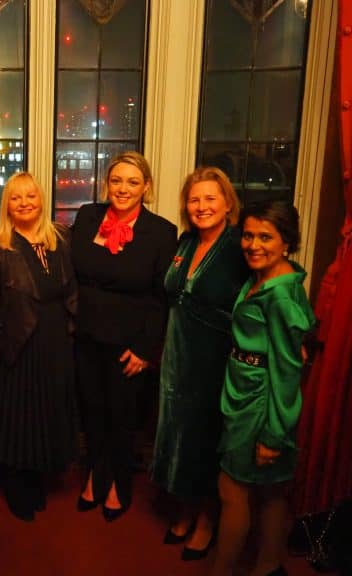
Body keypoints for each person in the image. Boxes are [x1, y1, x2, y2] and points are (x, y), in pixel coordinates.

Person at [71, 151, 177, 521]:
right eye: (116, 180)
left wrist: (146, 349)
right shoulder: (87, 217)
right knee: (92, 412)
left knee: (122, 416)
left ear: (146, 187)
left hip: (129, 344)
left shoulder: (162, 232)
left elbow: (161, 298)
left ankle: (119, 481)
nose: (123, 188)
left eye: (133, 182)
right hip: (85, 337)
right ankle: (95, 475)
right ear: (106, 183)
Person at [211, 201, 315, 576]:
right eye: (249, 235)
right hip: (244, 392)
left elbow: (288, 372)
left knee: (231, 490)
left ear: (286, 242)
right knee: (271, 492)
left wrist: (274, 433)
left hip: (260, 404)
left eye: (266, 237)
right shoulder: (264, 278)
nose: (253, 245)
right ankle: (269, 566)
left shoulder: (281, 294)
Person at [151, 167, 249, 560]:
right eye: (195, 199)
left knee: (207, 441)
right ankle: (185, 509)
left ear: (228, 203)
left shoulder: (239, 247)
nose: (202, 206)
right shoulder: (186, 242)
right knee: (180, 438)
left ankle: (206, 519)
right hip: (176, 360)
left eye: (210, 198)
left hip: (214, 362)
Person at [0, 171, 78, 522]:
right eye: (16, 198)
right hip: (16, 343)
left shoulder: (60, 239)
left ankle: (36, 478)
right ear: (7, 205)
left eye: (30, 196)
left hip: (55, 342)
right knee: (17, 418)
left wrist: (73, 334)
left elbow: (72, 292)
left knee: (46, 414)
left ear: (41, 199)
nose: (24, 203)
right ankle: (16, 486)